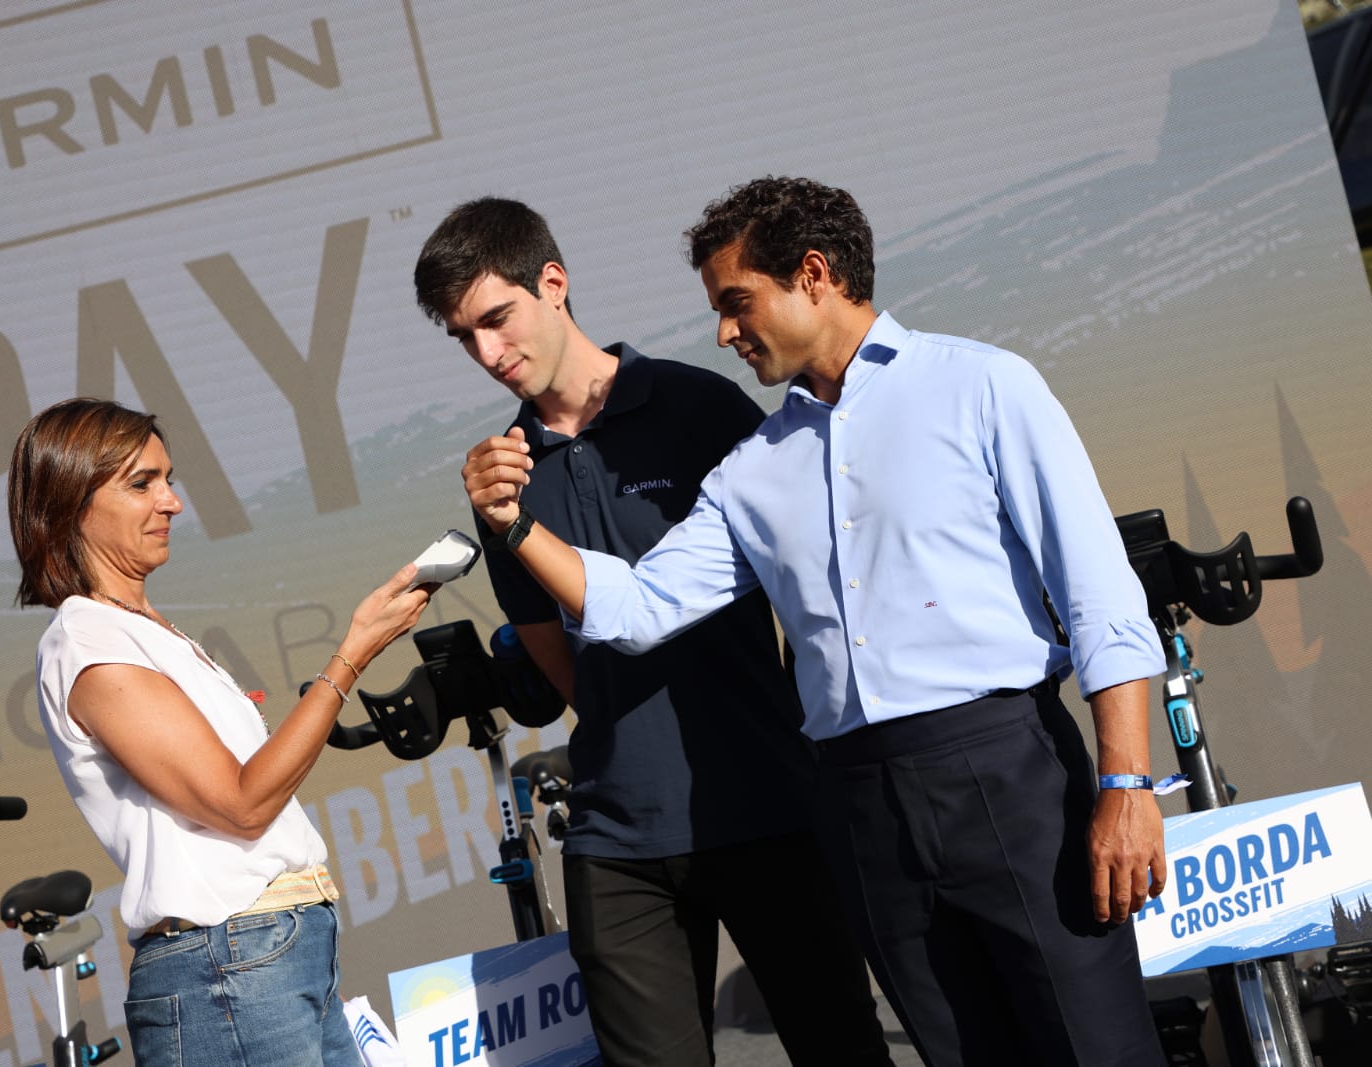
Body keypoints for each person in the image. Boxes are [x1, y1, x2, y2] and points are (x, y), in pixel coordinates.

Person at [460, 177, 1171, 1066]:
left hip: (1007, 771)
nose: (725, 332)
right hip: (860, 804)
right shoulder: (752, 467)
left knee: (1095, 1050)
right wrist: (515, 527)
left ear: (813, 274)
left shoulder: (982, 384)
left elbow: (1100, 594)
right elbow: (636, 609)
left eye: (737, 302)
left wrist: (1127, 783)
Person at [416, 198, 891, 1066]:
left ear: (552, 283)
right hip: (618, 836)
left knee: (843, 1050)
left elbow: (808, 588)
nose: (486, 352)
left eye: (496, 318)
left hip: (769, 805)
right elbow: (561, 661)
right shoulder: (501, 479)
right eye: (463, 337)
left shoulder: (701, 405)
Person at [8, 398, 432, 1066]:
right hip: (229, 965)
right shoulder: (88, 641)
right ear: (72, 504)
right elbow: (241, 802)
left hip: (276, 953)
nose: (172, 502)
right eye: (142, 484)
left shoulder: (143, 630)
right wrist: (354, 652)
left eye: (168, 479)